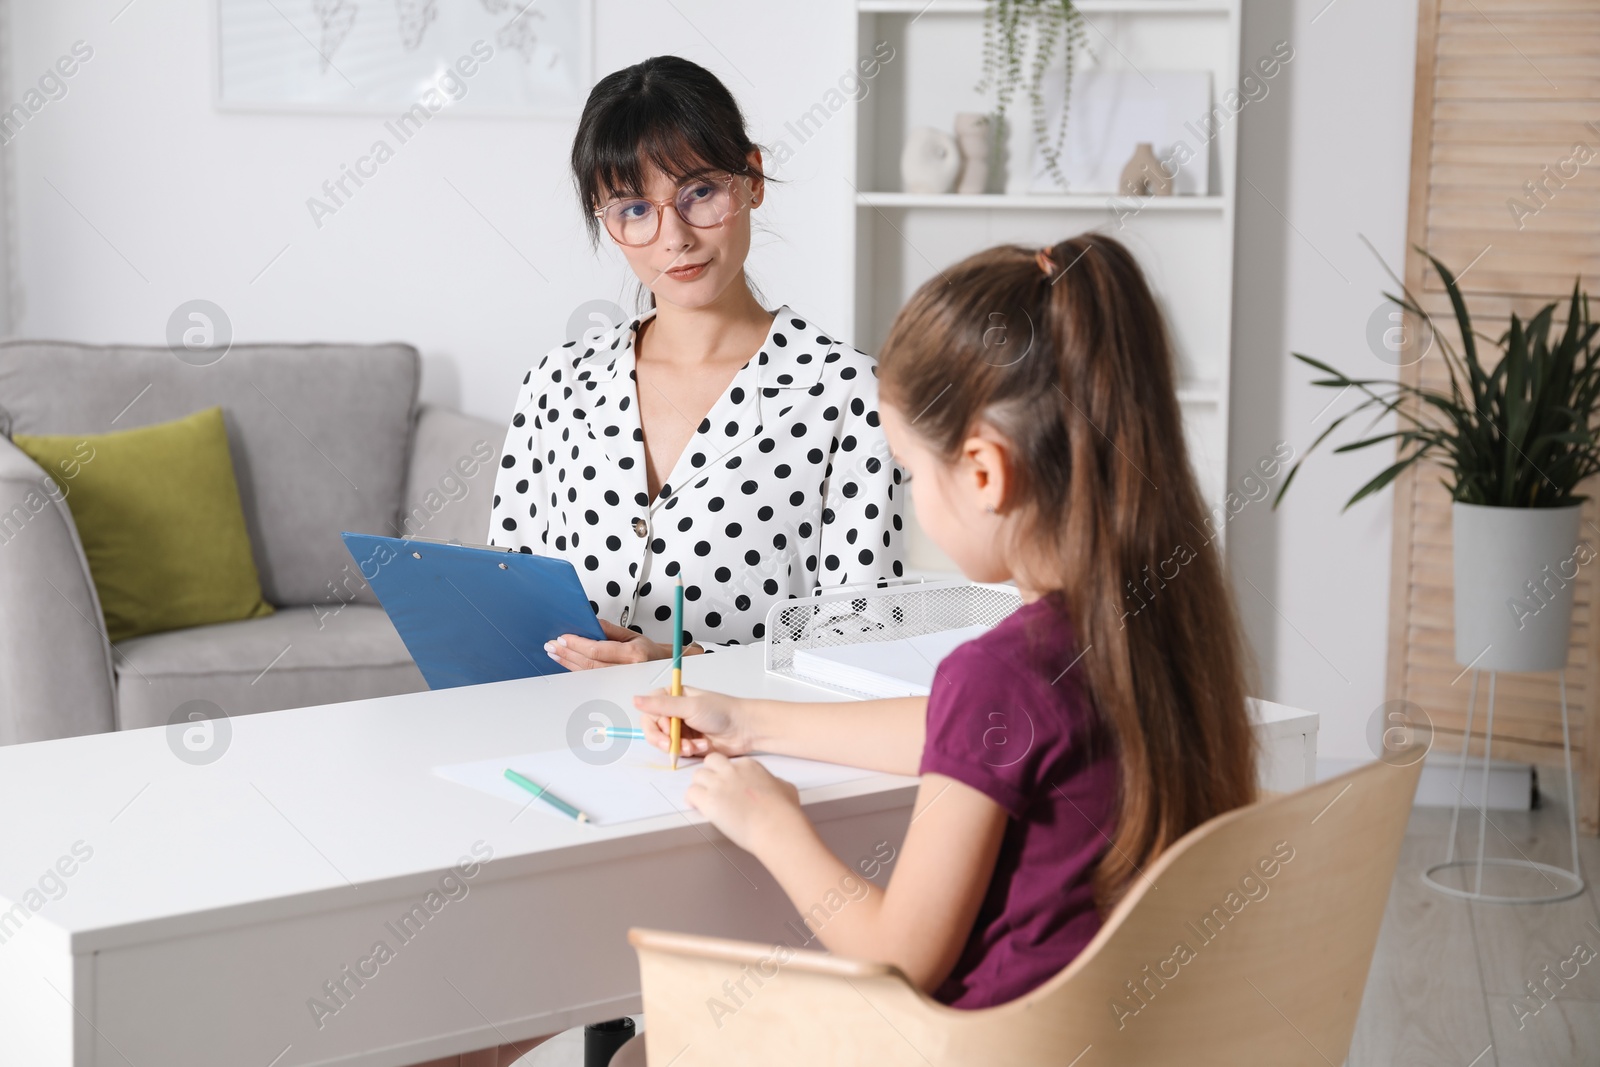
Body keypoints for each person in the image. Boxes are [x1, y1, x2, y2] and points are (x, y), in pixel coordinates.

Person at [634, 233, 1260, 1009]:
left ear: (985, 471)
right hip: (1118, 1041)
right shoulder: (1161, 629)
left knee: (651, 1047)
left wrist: (773, 825)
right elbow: (965, 731)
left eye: (909, 471)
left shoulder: (1000, 673)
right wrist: (751, 721)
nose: (910, 493)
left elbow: (898, 958)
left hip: (972, 1044)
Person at [488, 56, 905, 671]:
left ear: (753, 180)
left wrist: (685, 662)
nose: (674, 237)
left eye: (700, 192)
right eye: (634, 209)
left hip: (742, 750)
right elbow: (504, 603)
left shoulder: (847, 392)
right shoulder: (557, 384)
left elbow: (863, 643)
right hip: (561, 738)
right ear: (605, 223)